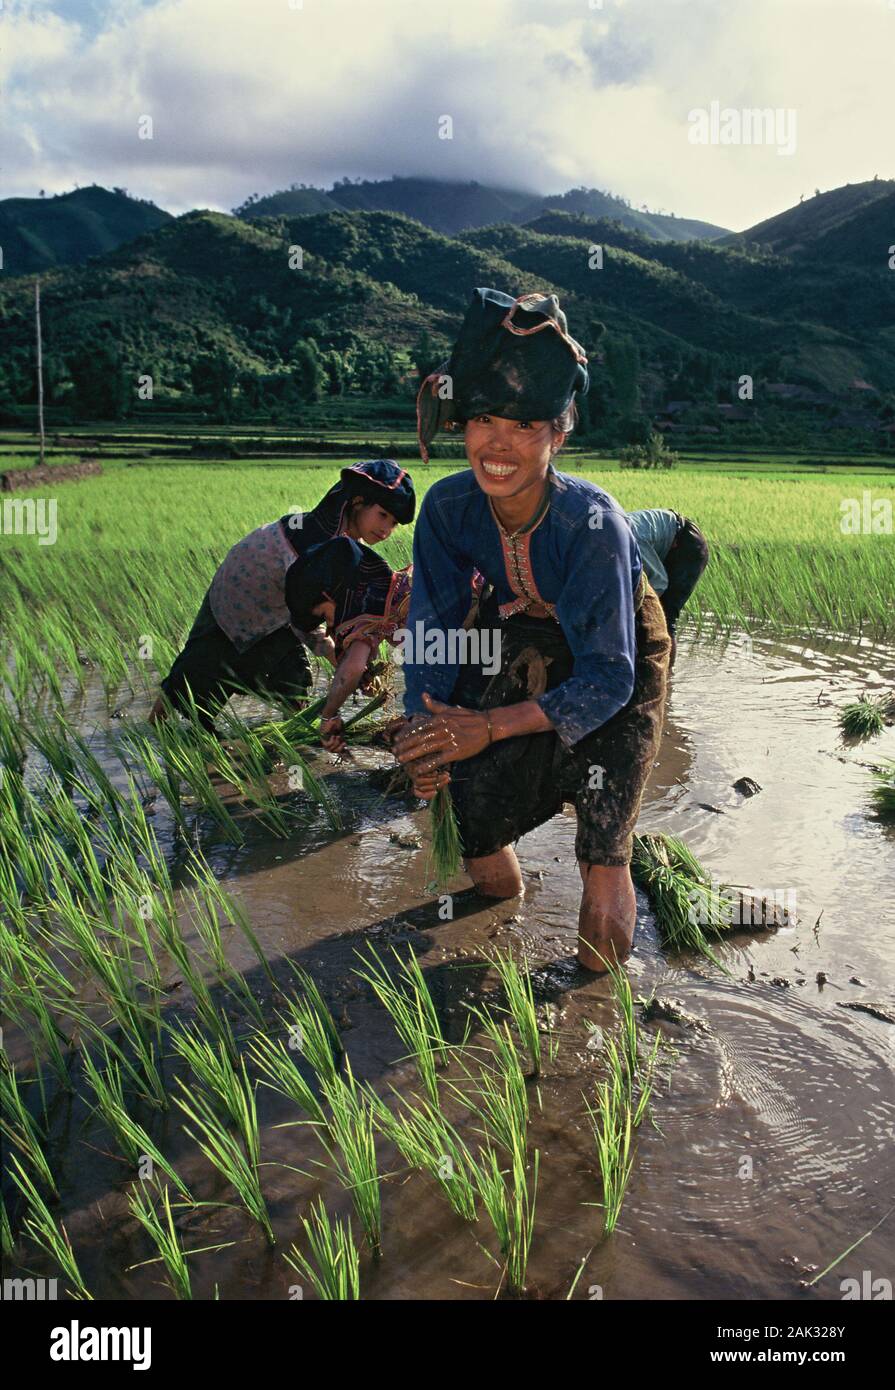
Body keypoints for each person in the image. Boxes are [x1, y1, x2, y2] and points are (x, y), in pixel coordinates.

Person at [393, 287, 671, 974]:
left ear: (558, 433)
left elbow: (609, 676)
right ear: (461, 425)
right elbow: (436, 627)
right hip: (525, 629)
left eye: (525, 427)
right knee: (472, 815)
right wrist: (423, 729)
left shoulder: (590, 523)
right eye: (483, 418)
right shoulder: (448, 508)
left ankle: (597, 1009)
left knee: (602, 848)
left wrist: (488, 726)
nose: (498, 444)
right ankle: (497, 913)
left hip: (617, 648)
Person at [149, 532, 411, 752]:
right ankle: (159, 727)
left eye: (322, 614)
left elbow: (349, 668)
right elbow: (343, 655)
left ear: (333, 594)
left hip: (442, 649)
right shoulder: (389, 585)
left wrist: (328, 714)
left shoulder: (360, 611)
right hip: (233, 625)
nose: (327, 622)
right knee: (195, 673)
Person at [626, 508, 710, 664]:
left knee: (665, 615)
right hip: (670, 544)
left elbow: (659, 582)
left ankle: (666, 677)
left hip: (687, 544)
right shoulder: (608, 542)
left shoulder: (631, 540)